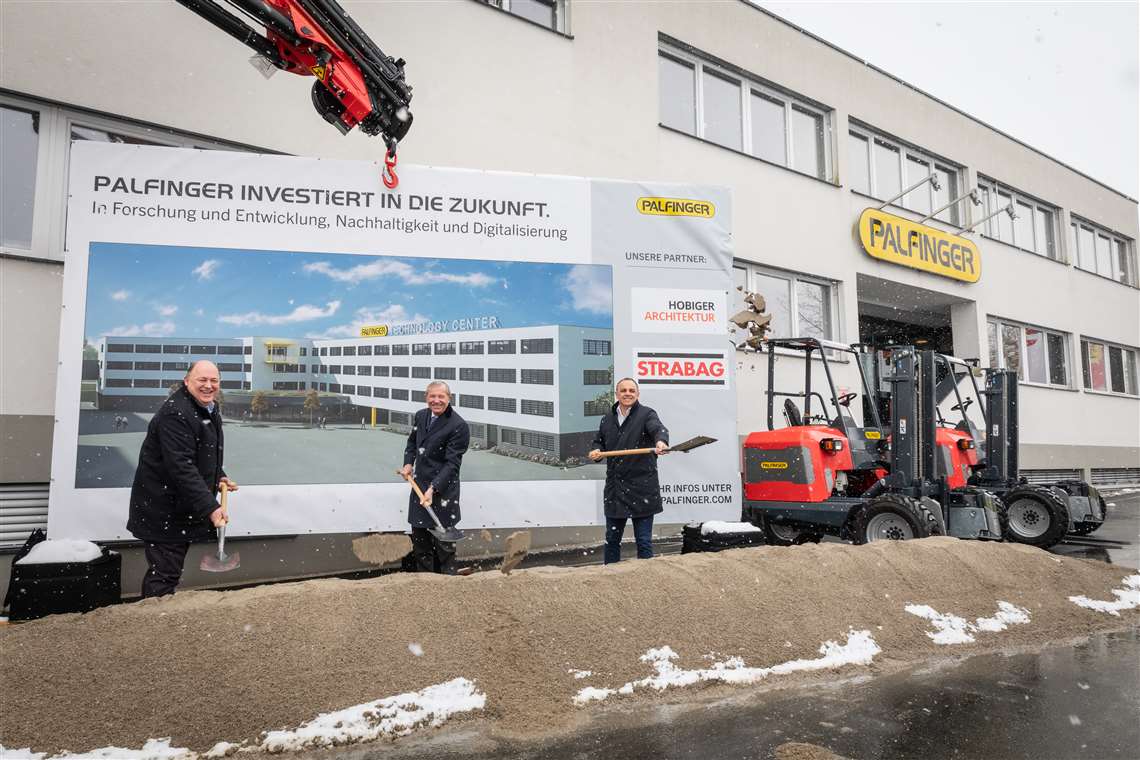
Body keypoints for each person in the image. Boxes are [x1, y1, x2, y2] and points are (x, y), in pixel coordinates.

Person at [127, 360, 238, 597]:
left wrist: (220, 476)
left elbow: (201, 455)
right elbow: (181, 467)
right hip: (162, 509)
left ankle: (160, 620)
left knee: (168, 572)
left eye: (214, 380)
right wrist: (211, 507)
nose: (209, 386)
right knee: (164, 575)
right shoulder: (175, 414)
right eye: (202, 380)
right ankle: (151, 622)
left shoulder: (207, 408)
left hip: (179, 509)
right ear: (187, 381)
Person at [588, 378, 669, 564]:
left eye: (632, 390)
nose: (628, 393)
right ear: (616, 394)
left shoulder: (647, 414)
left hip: (643, 489)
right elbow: (598, 441)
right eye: (623, 390)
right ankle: (611, 578)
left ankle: (646, 579)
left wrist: (661, 441)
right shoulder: (607, 419)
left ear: (638, 394)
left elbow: (658, 429)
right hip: (616, 490)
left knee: (643, 542)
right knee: (612, 541)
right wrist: (596, 451)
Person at [400, 381, 470, 574]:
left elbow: (452, 465)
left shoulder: (458, 426)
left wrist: (433, 489)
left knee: (444, 548)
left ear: (449, 398)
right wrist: (408, 463)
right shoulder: (421, 416)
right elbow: (412, 443)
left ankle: (448, 582)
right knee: (421, 545)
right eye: (433, 396)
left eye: (441, 396)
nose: (436, 400)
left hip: (442, 492)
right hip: (419, 488)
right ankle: (426, 584)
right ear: (426, 397)